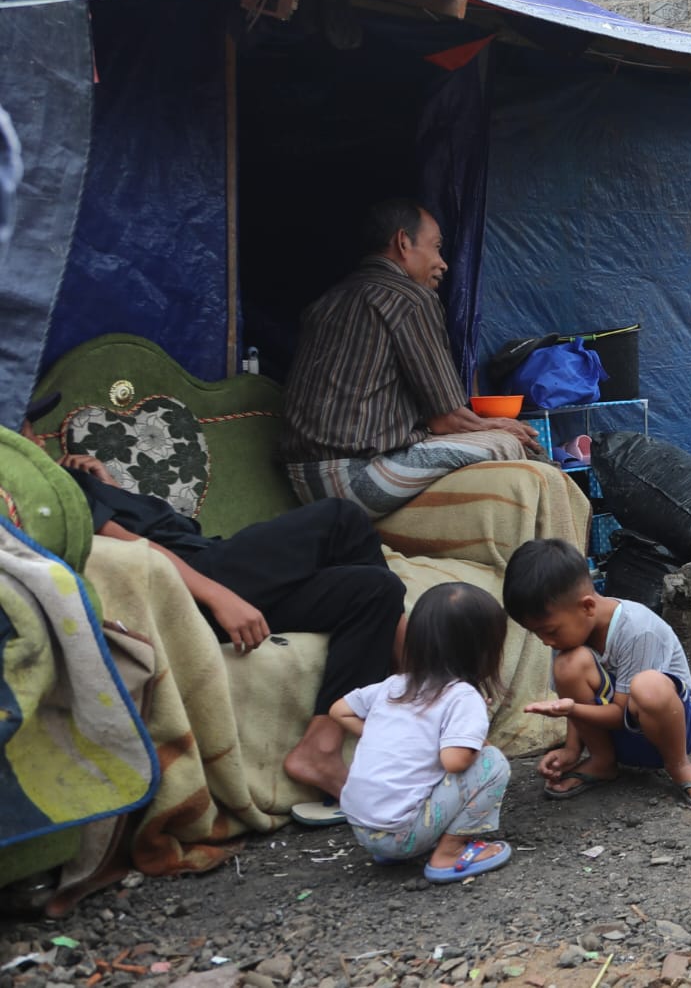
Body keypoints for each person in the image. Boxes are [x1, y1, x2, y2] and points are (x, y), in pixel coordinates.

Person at [19, 392, 403, 805]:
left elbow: (148, 529)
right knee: (340, 518)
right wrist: (219, 596)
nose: (39, 437)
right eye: (25, 427)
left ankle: (320, 750)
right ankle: (416, 670)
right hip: (194, 584)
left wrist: (108, 487)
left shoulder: (75, 481)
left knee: (375, 591)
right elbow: (134, 551)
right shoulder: (46, 490)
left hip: (206, 565)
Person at [281, 199, 547, 518]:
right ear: (403, 242)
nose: (443, 263)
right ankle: (553, 561)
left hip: (301, 481)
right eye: (436, 247)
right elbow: (446, 419)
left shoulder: (328, 300)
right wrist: (500, 426)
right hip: (354, 481)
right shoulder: (410, 299)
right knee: (508, 444)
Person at [506, 538, 691, 809]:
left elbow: (617, 713)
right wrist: (572, 750)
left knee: (647, 686)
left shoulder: (637, 628)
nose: (545, 641)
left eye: (549, 631)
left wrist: (571, 709)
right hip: (622, 736)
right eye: (537, 633)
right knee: (568, 665)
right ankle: (602, 761)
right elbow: (576, 696)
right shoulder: (567, 635)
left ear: (587, 607)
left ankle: (680, 765)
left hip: (674, 729)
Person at [332, 582, 513, 884]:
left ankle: (398, 848)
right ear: (484, 650)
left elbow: (338, 710)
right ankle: (449, 854)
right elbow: (455, 761)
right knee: (492, 762)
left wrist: (378, 732)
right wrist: (474, 726)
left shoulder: (394, 685)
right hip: (402, 834)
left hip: (362, 829)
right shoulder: (463, 697)